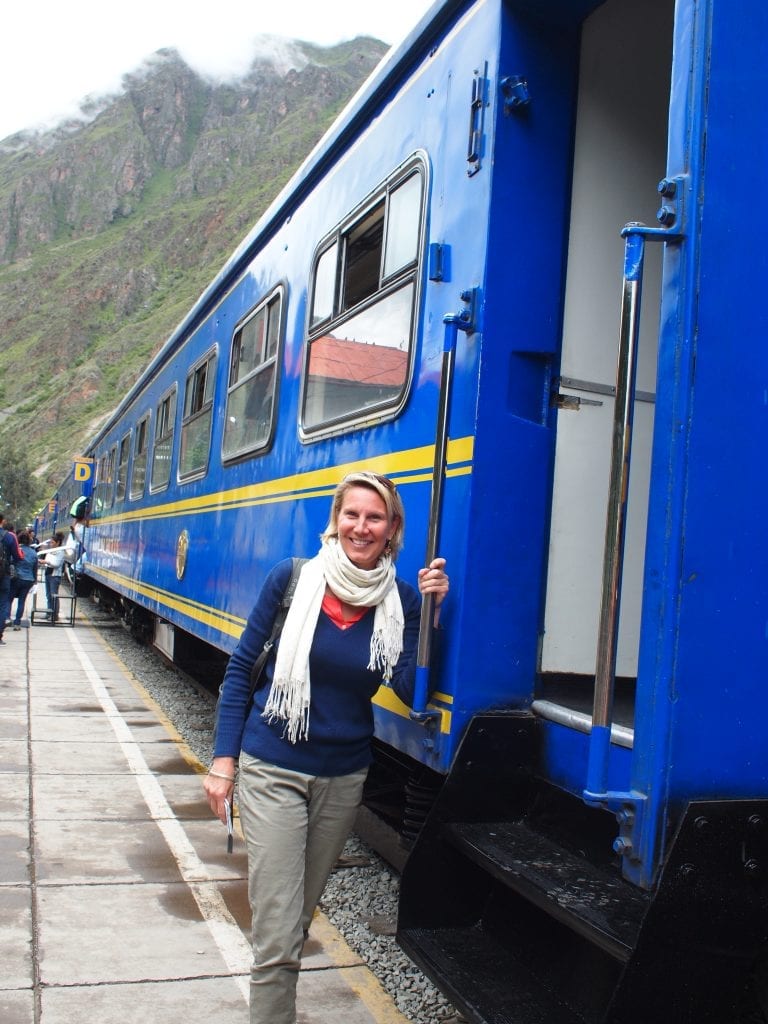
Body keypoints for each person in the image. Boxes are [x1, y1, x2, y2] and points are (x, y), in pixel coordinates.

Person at [204, 471, 449, 1024]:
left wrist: (433, 614)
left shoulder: (401, 600)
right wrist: (224, 762)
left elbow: (411, 689)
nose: (361, 527)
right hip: (273, 767)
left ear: (392, 531)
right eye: (352, 514)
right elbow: (242, 669)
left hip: (343, 777)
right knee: (276, 930)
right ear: (336, 521)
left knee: (296, 919)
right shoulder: (292, 580)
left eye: (375, 518)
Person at [9, 531, 38, 629]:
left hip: (16, 579)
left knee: (9, 600)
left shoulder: (17, 550)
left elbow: (11, 562)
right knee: (22, 601)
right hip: (28, 580)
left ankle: (7, 619)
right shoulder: (33, 553)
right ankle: (17, 623)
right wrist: (34, 580)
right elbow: (35, 568)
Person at [0, 517, 23, 643]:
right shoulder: (9, 536)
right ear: (2, 521)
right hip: (3, 574)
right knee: (2, 605)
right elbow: (18, 556)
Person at [37, 532, 66, 621]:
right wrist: (44, 561)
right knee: (48, 595)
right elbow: (47, 560)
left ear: (58, 543)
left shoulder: (60, 551)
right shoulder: (51, 551)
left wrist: (46, 562)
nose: (51, 544)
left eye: (53, 542)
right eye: (51, 542)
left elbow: (56, 564)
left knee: (54, 595)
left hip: (54, 576)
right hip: (48, 574)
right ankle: (49, 612)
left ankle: (55, 614)